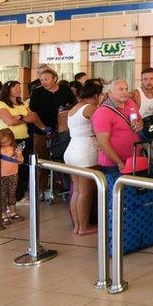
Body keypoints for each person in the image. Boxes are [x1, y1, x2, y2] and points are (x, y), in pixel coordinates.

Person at [65, 80, 102, 235]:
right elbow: (100, 128)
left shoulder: (74, 109)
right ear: (95, 95)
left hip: (72, 149)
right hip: (85, 151)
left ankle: (77, 226)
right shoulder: (91, 108)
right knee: (85, 192)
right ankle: (84, 227)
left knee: (77, 191)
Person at [0, 81, 41, 201]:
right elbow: (10, 122)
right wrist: (24, 118)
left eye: (20, 87)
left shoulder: (23, 103)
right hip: (8, 140)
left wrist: (19, 117)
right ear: (8, 90)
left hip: (24, 138)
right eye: (15, 87)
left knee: (23, 168)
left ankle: (18, 196)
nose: (19, 89)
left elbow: (33, 117)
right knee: (10, 170)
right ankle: (9, 199)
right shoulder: (0, 104)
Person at [91, 79, 142, 173]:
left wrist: (140, 125)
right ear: (110, 92)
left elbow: (140, 119)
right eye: (121, 89)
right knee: (117, 187)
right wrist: (118, 162)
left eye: (126, 89)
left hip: (134, 159)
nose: (125, 92)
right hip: (113, 165)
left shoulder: (130, 102)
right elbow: (103, 142)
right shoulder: (103, 112)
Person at [29, 68, 75, 162]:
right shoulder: (37, 92)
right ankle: (42, 176)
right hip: (40, 130)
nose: (43, 82)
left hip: (62, 130)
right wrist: (43, 128)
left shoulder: (65, 89)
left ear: (55, 78)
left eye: (46, 79)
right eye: (41, 80)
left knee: (62, 157)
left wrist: (65, 110)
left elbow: (74, 104)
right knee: (42, 160)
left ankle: (59, 176)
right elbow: (32, 112)